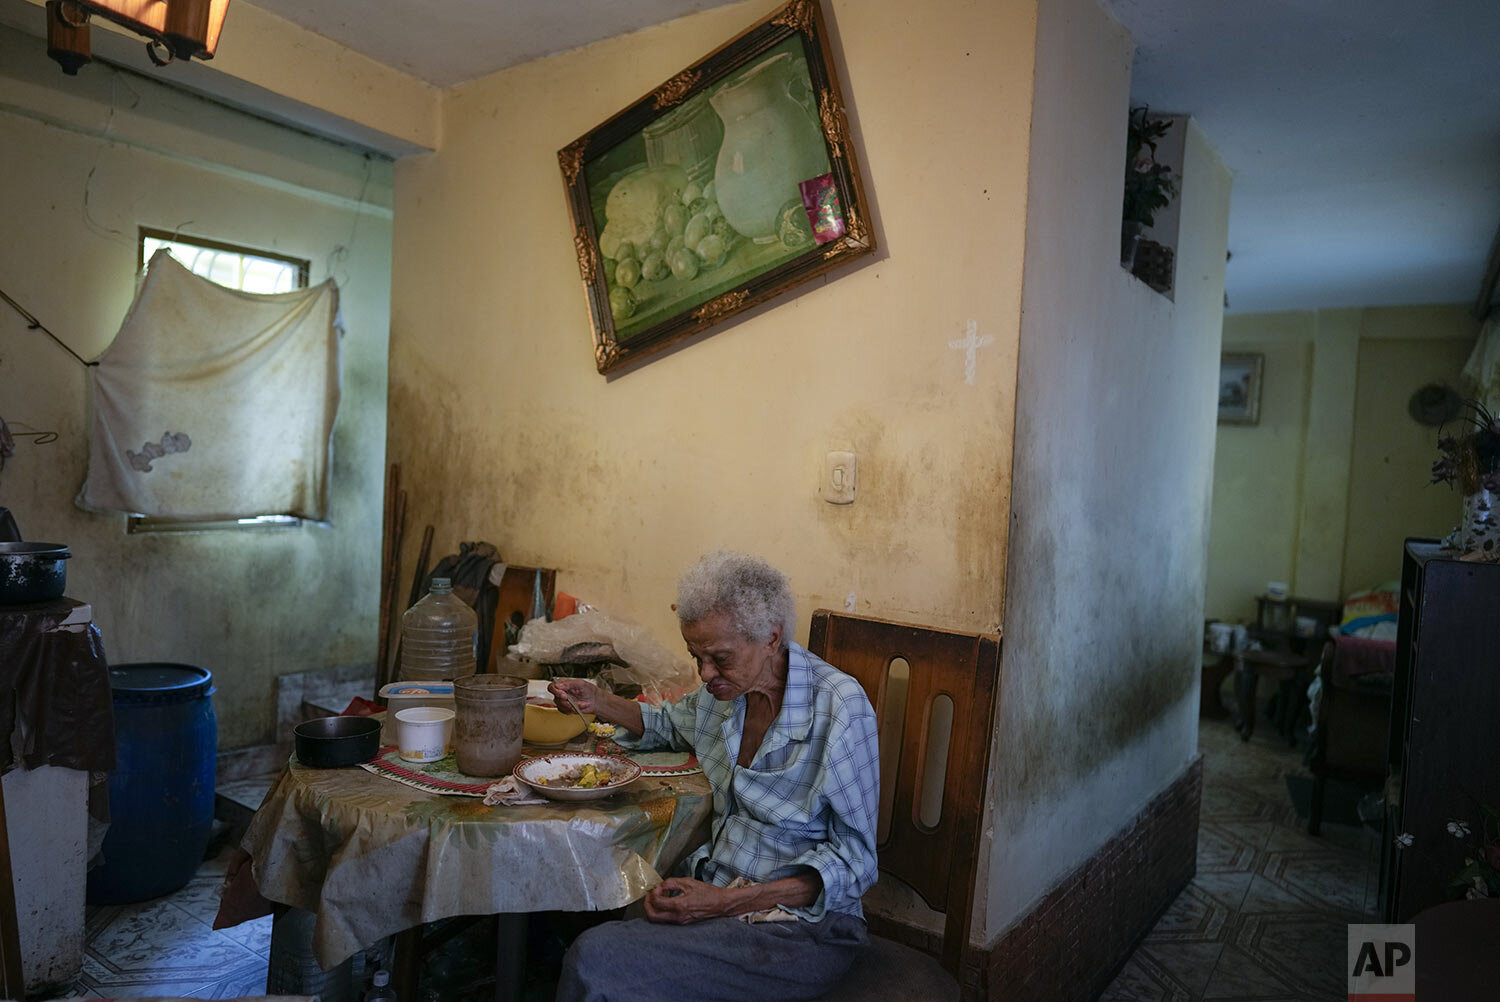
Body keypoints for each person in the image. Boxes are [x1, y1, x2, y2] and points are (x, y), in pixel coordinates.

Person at [548, 551, 879, 1002]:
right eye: (696, 656)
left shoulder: (840, 708)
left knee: (595, 959)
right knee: (611, 920)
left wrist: (724, 903)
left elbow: (854, 864)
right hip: (719, 894)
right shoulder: (726, 695)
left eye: (719, 658)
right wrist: (598, 701)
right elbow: (665, 724)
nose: (705, 674)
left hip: (801, 928)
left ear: (771, 637)